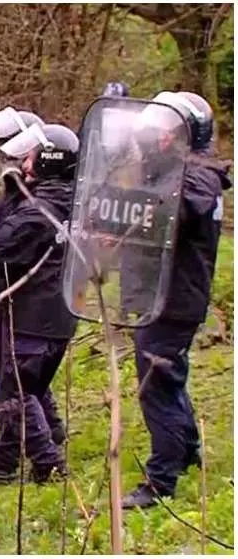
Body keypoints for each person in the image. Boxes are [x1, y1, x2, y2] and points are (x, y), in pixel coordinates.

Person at [122, 91, 232, 509]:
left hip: (174, 298)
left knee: (157, 386)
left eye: (164, 133)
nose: (156, 140)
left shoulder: (197, 180)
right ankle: (187, 449)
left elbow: (169, 216)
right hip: (167, 294)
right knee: (169, 376)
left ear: (188, 134)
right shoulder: (184, 174)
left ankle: (161, 481)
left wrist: (135, 208)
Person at [0, 123, 80, 484]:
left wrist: (14, 195)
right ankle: (5, 460)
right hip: (61, 313)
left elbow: (1, 253)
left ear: (48, 161)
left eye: (30, 158)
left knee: (15, 391)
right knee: (31, 386)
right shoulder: (75, 203)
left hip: (33, 314)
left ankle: (49, 463)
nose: (24, 165)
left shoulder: (35, 213)